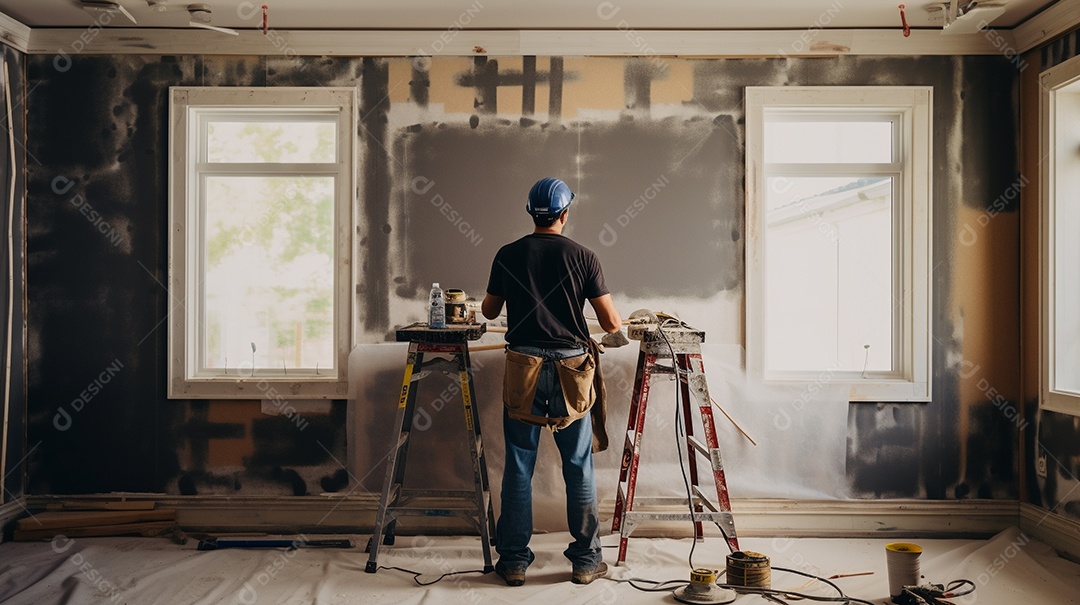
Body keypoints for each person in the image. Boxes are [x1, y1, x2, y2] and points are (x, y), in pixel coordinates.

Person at [482, 177, 623, 587]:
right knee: (578, 465)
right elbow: (612, 323)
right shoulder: (583, 256)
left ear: (531, 213)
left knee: (519, 466)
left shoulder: (508, 254)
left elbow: (490, 312)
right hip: (571, 370)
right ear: (564, 214)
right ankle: (585, 561)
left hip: (523, 366)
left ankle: (512, 561)